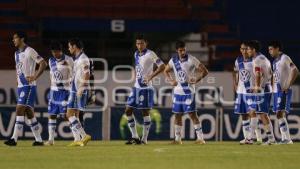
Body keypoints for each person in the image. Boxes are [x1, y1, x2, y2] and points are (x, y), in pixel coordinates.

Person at [4, 31, 47, 146]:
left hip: (29, 86)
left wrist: (35, 76)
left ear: (22, 39)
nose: (13, 40)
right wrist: (17, 79)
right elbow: (18, 68)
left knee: (19, 109)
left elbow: (43, 63)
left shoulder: (30, 51)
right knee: (29, 113)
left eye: (15, 38)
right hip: (21, 86)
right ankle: (39, 140)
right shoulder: (16, 53)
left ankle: (14, 139)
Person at [164, 40, 208, 144]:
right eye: (180, 50)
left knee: (192, 114)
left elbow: (205, 71)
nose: (183, 52)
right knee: (177, 115)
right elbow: (165, 71)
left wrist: (196, 79)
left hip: (189, 92)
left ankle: (201, 138)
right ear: (176, 50)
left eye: (184, 50)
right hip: (178, 92)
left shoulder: (192, 59)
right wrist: (171, 80)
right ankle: (178, 139)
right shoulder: (173, 60)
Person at [125, 34, 165, 145]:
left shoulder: (150, 54)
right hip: (136, 87)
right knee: (128, 110)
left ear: (146, 43)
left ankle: (144, 139)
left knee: (145, 112)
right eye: (138, 43)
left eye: (142, 43)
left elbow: (162, 66)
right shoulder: (136, 54)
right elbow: (137, 67)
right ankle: (135, 136)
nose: (139, 45)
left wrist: (151, 76)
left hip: (146, 88)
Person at [268, 41, 299, 144]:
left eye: (271, 49)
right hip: (276, 91)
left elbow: (295, 70)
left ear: (277, 49)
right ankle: (285, 138)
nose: (270, 52)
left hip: (283, 90)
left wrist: (288, 85)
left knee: (280, 113)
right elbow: (274, 76)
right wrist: (272, 90)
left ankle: (287, 139)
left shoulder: (284, 58)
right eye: (269, 50)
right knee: (278, 114)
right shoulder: (274, 61)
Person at [247, 40, 276, 145]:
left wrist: (257, 87)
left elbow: (258, 74)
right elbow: (271, 74)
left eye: (249, 50)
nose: (247, 52)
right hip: (267, 88)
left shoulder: (257, 60)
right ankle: (251, 138)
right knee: (256, 112)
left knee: (263, 114)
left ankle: (271, 139)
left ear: (254, 50)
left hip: (263, 89)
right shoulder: (264, 58)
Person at [233, 41, 262, 144]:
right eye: (242, 49)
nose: (244, 51)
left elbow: (259, 74)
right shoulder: (238, 60)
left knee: (252, 113)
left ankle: (257, 137)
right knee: (243, 115)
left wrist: (257, 86)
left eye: (246, 49)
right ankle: (246, 138)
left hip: (250, 91)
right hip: (241, 91)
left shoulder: (254, 60)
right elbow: (235, 72)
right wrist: (235, 84)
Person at [45, 41, 73, 146]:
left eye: (56, 51)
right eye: (53, 52)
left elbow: (74, 74)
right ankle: (51, 140)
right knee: (51, 115)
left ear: (61, 51)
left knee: (66, 115)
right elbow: (52, 76)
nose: (54, 54)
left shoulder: (69, 59)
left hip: (64, 91)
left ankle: (77, 137)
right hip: (53, 92)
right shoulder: (50, 60)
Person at [66, 38, 91, 146]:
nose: (69, 48)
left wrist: (82, 87)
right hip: (74, 89)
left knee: (70, 114)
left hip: (79, 89)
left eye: (69, 46)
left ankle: (84, 136)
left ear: (74, 46)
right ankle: (77, 139)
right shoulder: (77, 59)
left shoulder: (83, 58)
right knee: (73, 115)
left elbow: (87, 73)